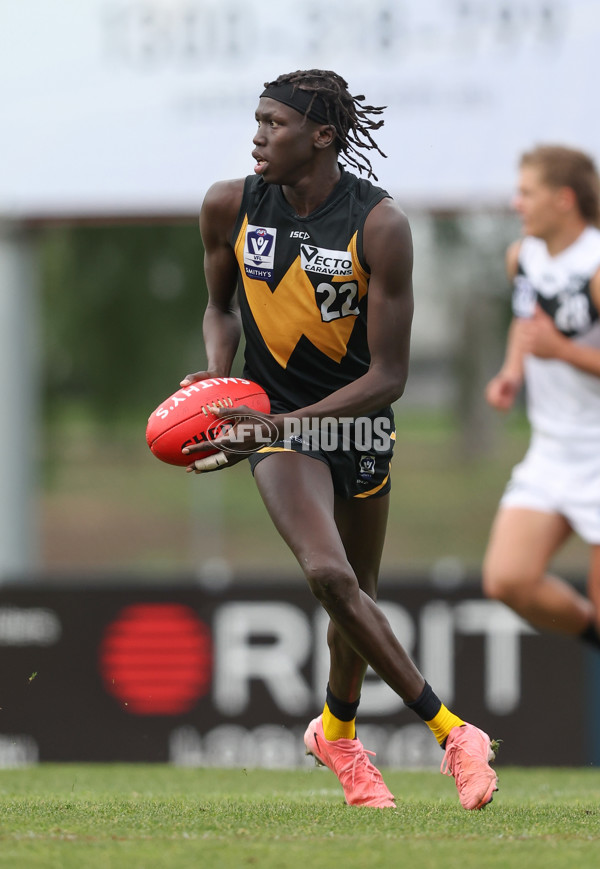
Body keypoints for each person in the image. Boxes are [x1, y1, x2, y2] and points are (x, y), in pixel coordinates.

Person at [181, 69, 498, 810]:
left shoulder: (380, 225)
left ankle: (337, 733)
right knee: (330, 576)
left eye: (274, 123)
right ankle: (453, 731)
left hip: (355, 423)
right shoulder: (228, 205)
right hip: (276, 427)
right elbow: (218, 309)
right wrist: (220, 382)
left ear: (322, 136)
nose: (258, 135)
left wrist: (283, 422)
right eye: (255, 121)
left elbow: (390, 375)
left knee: (353, 604)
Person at [483, 144, 600, 655]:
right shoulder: (522, 256)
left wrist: (563, 352)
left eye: (527, 192)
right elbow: (527, 321)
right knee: (508, 580)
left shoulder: (596, 264)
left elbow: (552, 342)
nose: (517, 203)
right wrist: (513, 371)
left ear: (564, 199)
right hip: (552, 450)